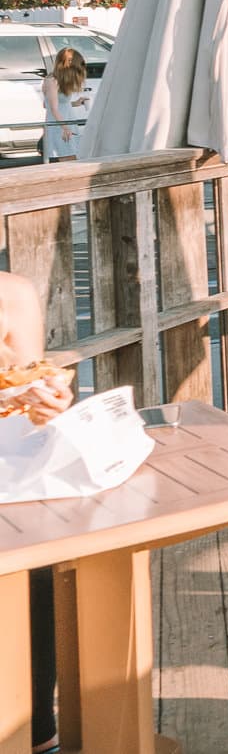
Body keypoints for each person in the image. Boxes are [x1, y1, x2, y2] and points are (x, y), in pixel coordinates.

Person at [1, 270, 73, 752]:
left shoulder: (13, 294)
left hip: (8, 478)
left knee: (41, 564)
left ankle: (36, 733)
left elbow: (30, 391)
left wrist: (50, 404)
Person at [40, 46, 89, 162]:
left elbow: (52, 104)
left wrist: (76, 103)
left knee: (74, 157)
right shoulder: (52, 81)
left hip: (67, 123)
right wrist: (65, 127)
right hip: (61, 126)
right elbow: (53, 108)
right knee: (68, 159)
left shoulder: (60, 81)